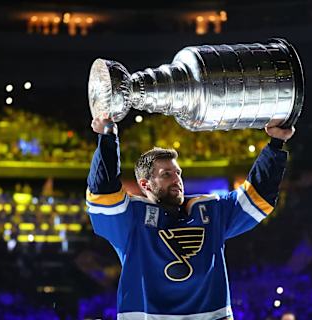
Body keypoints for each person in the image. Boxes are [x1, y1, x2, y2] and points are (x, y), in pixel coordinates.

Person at [86, 116, 295, 320]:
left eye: (178, 172)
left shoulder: (211, 209)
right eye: (166, 174)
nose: (177, 179)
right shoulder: (131, 218)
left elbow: (258, 196)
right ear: (145, 185)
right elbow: (103, 190)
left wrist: (276, 143)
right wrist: (107, 137)